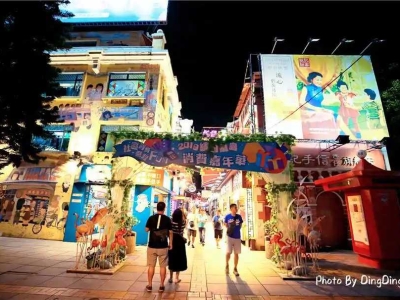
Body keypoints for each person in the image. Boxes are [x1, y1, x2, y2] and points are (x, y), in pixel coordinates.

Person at [145, 202, 173, 293]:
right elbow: (170, 232)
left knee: (151, 266)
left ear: (156, 208)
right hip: (163, 246)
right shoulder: (168, 219)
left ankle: (149, 285)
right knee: (163, 266)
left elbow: (146, 230)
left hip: (152, 246)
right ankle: (161, 285)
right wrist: (171, 244)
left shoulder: (151, 218)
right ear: (164, 208)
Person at [168, 208, 187, 284]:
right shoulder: (183, 222)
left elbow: (170, 232)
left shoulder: (171, 222)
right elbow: (185, 219)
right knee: (179, 260)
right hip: (180, 243)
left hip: (172, 242)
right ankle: (177, 278)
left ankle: (170, 277)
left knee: (172, 259)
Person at [224, 203, 243, 276]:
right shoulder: (227, 216)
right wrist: (230, 229)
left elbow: (240, 225)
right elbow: (225, 224)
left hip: (237, 237)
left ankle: (235, 268)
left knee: (236, 253)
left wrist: (236, 230)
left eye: (236, 207)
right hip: (229, 237)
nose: (236, 209)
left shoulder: (239, 217)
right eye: (235, 207)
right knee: (228, 252)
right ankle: (227, 265)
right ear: (231, 208)